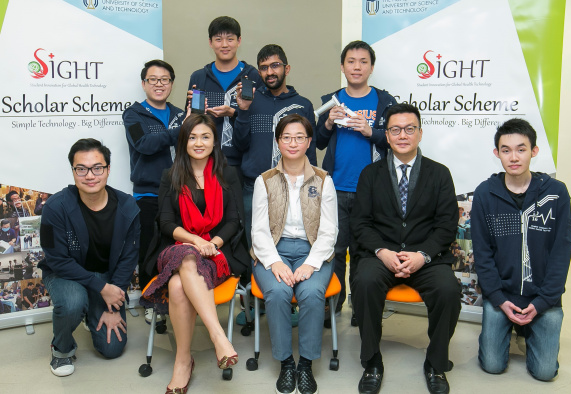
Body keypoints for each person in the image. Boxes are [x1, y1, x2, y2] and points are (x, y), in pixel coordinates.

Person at [350, 103, 461, 394]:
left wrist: (422, 255)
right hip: (381, 254)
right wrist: (382, 252)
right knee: (364, 281)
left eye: (409, 129)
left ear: (420, 133)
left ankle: (436, 363)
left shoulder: (440, 174)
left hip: (427, 257)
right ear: (386, 135)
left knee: (448, 289)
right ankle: (372, 360)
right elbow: (360, 223)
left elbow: (447, 225)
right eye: (395, 129)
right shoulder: (370, 175)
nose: (403, 135)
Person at [141, 113, 249, 394]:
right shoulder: (171, 175)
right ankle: (218, 336)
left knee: (177, 286)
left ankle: (183, 361)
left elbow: (234, 220)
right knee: (187, 257)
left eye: (205, 136)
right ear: (183, 141)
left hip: (216, 250)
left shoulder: (228, 174)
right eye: (192, 137)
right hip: (177, 247)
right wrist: (194, 242)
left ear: (215, 141)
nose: (199, 142)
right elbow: (165, 223)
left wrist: (211, 243)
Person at [472, 118, 571, 381]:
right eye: (506, 150)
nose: (513, 157)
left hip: (543, 297)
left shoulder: (556, 193)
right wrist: (497, 298)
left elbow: (561, 254)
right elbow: (482, 255)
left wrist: (541, 303)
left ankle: (530, 330)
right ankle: (508, 326)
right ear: (497, 154)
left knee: (545, 373)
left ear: (534, 151)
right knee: (493, 365)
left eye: (521, 149)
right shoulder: (485, 194)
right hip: (503, 295)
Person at [39, 138, 140, 377]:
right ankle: (61, 350)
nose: (90, 175)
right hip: (67, 274)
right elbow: (57, 260)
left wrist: (113, 305)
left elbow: (129, 257)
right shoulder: (55, 207)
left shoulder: (127, 206)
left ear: (107, 169)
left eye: (97, 167)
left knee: (112, 349)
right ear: (73, 171)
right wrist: (100, 287)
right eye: (81, 169)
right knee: (73, 301)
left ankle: (90, 313)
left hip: (108, 277)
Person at [251, 114, 338, 394]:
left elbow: (329, 231)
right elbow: (258, 230)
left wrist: (311, 264)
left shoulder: (324, 180)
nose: (293, 143)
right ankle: (287, 362)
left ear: (309, 142)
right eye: (286, 137)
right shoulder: (264, 181)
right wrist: (274, 261)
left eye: (300, 137)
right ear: (278, 142)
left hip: (313, 251)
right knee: (276, 293)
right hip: (272, 251)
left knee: (311, 293)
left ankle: (307, 364)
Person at [316, 40, 397, 325]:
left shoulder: (385, 102)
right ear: (342, 66)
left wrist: (371, 131)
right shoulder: (332, 99)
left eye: (363, 61)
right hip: (335, 188)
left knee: (365, 251)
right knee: (335, 249)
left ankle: (361, 308)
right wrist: (327, 123)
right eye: (351, 61)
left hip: (371, 191)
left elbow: (395, 142)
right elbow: (317, 142)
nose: (357, 67)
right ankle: (334, 305)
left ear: (371, 67)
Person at [234, 43, 317, 247]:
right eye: (263, 67)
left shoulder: (303, 105)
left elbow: (310, 151)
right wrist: (243, 111)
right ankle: (252, 280)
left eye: (275, 65)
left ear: (286, 69)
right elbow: (240, 144)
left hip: (292, 185)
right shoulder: (250, 102)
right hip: (253, 185)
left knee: (287, 243)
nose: (269, 72)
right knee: (253, 241)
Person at [123, 59, 185, 294]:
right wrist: (179, 132)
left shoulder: (180, 115)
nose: (159, 84)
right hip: (148, 194)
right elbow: (143, 144)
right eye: (153, 80)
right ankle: (150, 298)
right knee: (149, 249)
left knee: (177, 247)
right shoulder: (133, 115)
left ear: (171, 84)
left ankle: (176, 296)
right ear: (144, 83)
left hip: (179, 192)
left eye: (165, 80)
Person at [185, 16, 262, 173]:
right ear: (210, 42)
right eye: (218, 39)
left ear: (239, 41)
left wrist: (233, 113)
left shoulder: (253, 76)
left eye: (230, 39)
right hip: (204, 163)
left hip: (241, 165)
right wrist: (197, 114)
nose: (225, 45)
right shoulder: (199, 77)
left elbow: (259, 121)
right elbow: (190, 124)